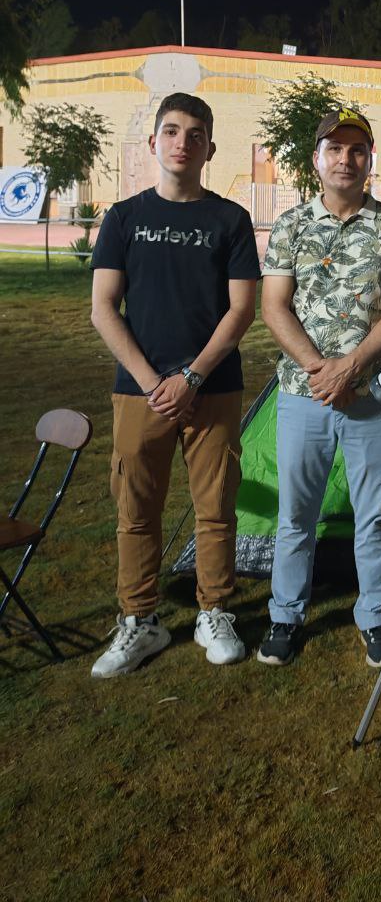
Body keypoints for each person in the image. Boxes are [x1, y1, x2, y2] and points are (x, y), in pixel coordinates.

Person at [90, 93, 260, 678]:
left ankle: (215, 611)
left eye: (195, 134)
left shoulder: (230, 220)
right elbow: (103, 307)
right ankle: (140, 619)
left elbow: (241, 310)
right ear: (153, 142)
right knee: (136, 509)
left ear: (210, 148)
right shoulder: (123, 218)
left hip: (213, 387)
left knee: (215, 508)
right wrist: (151, 382)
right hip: (139, 391)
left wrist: (191, 377)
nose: (182, 142)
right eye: (171, 131)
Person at [257, 107, 381, 669]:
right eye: (335, 149)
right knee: (295, 515)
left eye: (357, 150)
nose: (345, 159)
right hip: (302, 393)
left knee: (374, 516)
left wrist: (350, 369)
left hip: (370, 395)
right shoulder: (290, 226)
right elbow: (273, 306)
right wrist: (319, 370)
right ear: (316, 159)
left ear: (370, 159)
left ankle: (374, 616)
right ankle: (285, 615)